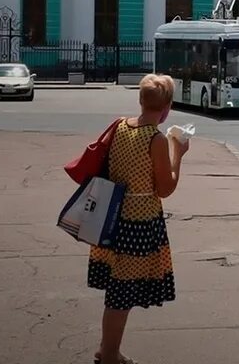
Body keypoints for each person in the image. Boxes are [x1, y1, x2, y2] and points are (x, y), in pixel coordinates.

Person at [88, 74, 188, 364]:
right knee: (121, 295)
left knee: (118, 289)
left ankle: (108, 348)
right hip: (138, 223)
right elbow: (165, 188)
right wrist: (178, 152)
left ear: (140, 101)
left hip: (113, 216)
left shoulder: (121, 126)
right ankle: (108, 355)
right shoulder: (155, 139)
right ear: (167, 107)